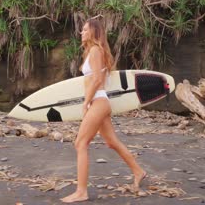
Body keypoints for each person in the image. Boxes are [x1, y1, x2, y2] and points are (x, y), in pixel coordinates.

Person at [61, 18, 147, 203]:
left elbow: (98, 80)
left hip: (98, 102)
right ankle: (138, 171)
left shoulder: (95, 51)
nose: (81, 33)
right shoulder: (92, 52)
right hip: (100, 102)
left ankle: (81, 191)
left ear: (93, 32)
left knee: (80, 143)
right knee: (111, 142)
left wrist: (86, 102)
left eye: (84, 30)